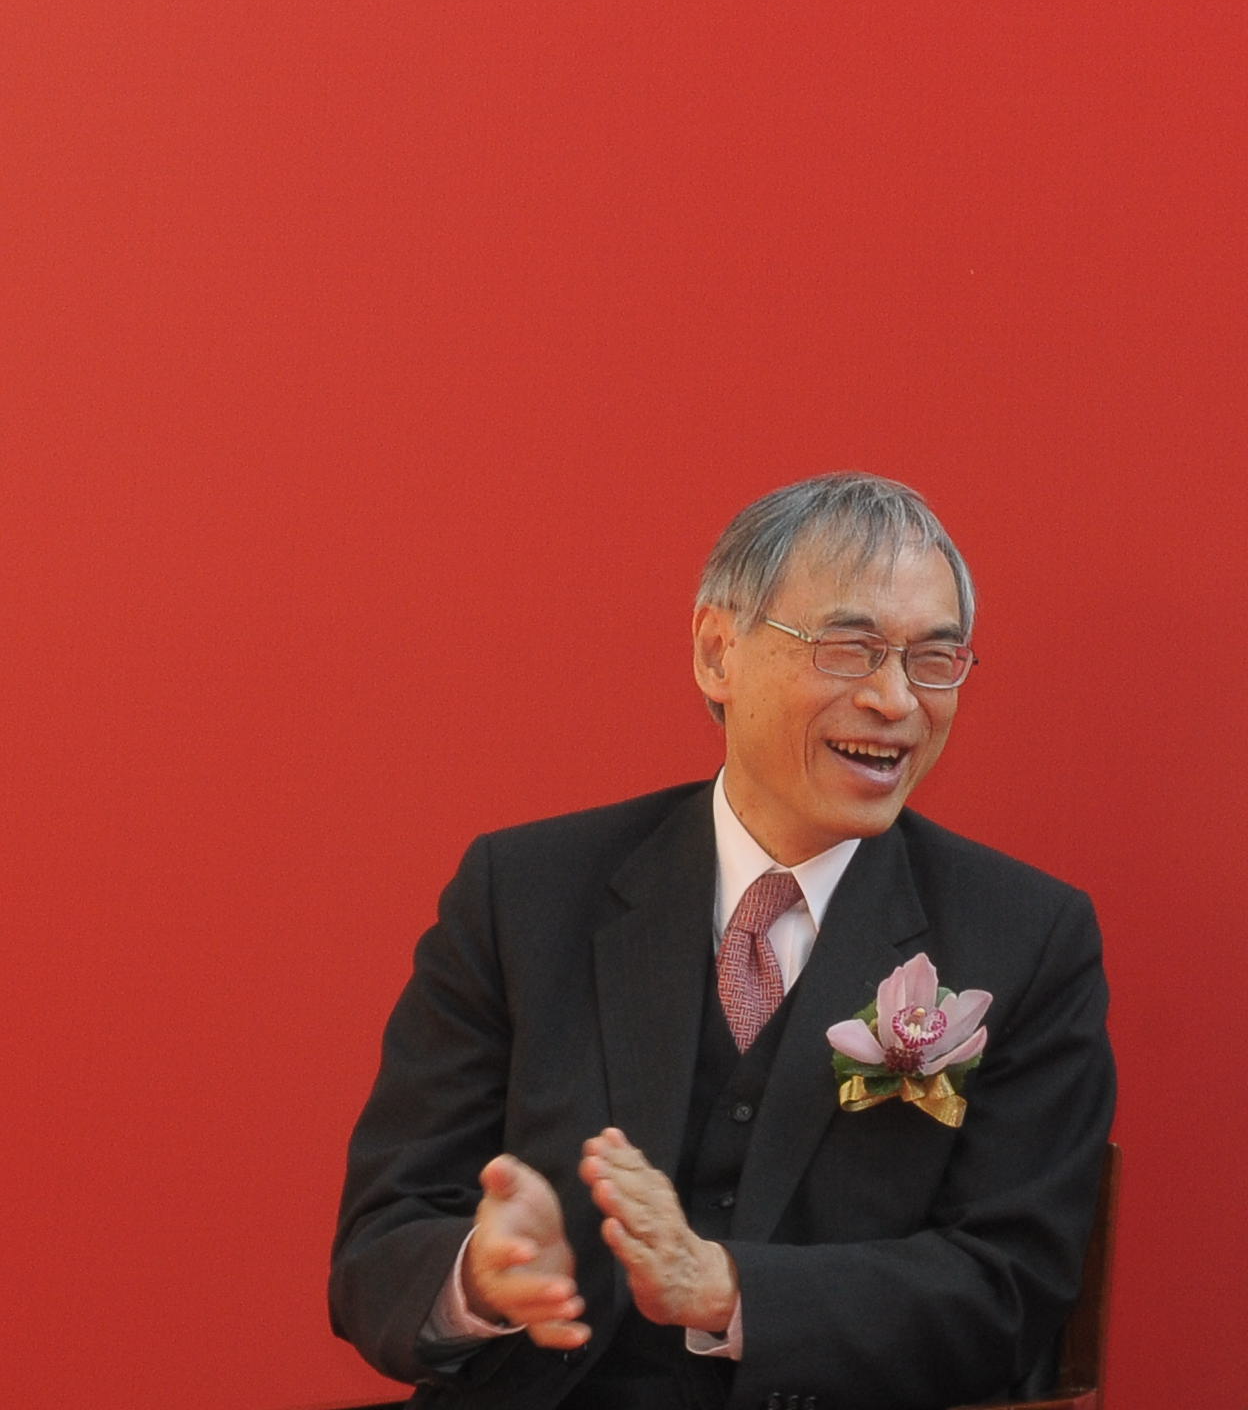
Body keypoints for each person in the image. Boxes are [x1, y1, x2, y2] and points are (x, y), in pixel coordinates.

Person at [331, 472, 1116, 1410]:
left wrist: (731, 1292)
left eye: (934, 659)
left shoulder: (1025, 935)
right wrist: (479, 1274)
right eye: (850, 648)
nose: (897, 701)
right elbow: (380, 1246)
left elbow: (1010, 1290)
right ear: (718, 652)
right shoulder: (524, 893)